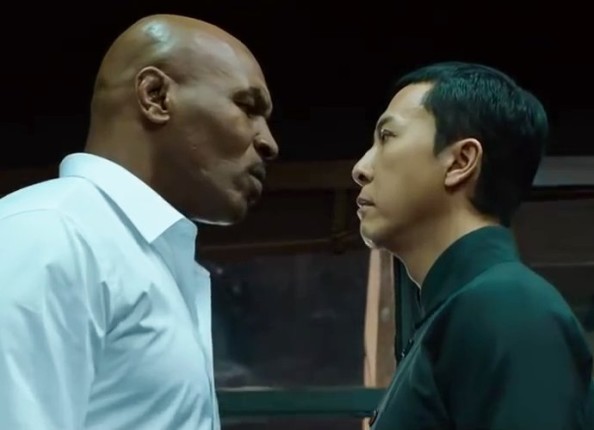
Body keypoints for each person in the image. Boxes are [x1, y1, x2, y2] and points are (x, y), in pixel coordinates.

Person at [0, 14, 277, 430]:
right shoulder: (47, 236)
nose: (269, 142)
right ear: (156, 96)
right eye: (247, 107)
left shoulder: (139, 255)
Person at [352, 61, 594, 430]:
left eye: (387, 136)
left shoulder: (506, 306)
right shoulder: (463, 310)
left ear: (460, 162)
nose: (361, 168)